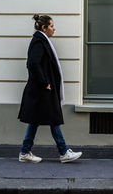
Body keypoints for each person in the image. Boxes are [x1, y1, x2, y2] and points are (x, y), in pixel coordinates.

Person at [17, 14, 82, 163]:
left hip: (41, 89)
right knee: (53, 118)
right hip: (42, 89)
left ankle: (25, 152)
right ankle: (64, 152)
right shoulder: (39, 42)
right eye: (51, 26)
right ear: (44, 28)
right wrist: (44, 82)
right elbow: (33, 63)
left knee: (36, 120)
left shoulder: (41, 40)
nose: (54, 28)